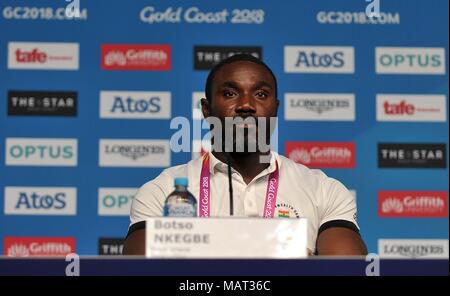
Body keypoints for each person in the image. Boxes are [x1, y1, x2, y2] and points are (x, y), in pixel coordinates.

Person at [123, 54, 367, 256]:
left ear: (276, 109)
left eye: (261, 94)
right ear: (206, 110)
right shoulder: (163, 191)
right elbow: (138, 272)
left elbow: (348, 271)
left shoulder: (323, 190)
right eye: (230, 93)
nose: (246, 105)